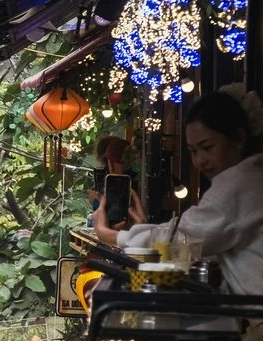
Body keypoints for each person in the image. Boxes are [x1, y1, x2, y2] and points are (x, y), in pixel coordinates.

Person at [95, 85, 263, 295]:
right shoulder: (252, 175)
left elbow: (181, 241)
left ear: (239, 138)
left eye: (208, 147)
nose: (200, 161)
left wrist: (110, 235)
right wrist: (142, 230)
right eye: (193, 151)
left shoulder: (240, 183)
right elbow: (190, 240)